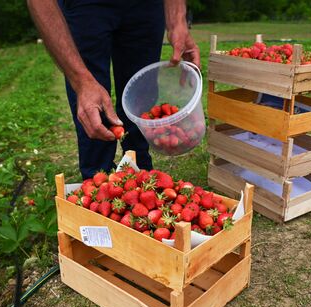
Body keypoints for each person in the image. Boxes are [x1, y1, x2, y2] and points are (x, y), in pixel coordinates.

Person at [27, 0, 200, 179]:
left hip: (146, 6)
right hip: (83, 5)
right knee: (93, 107)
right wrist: (81, 81)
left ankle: (140, 171)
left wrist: (177, 20)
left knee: (141, 94)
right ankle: (98, 179)